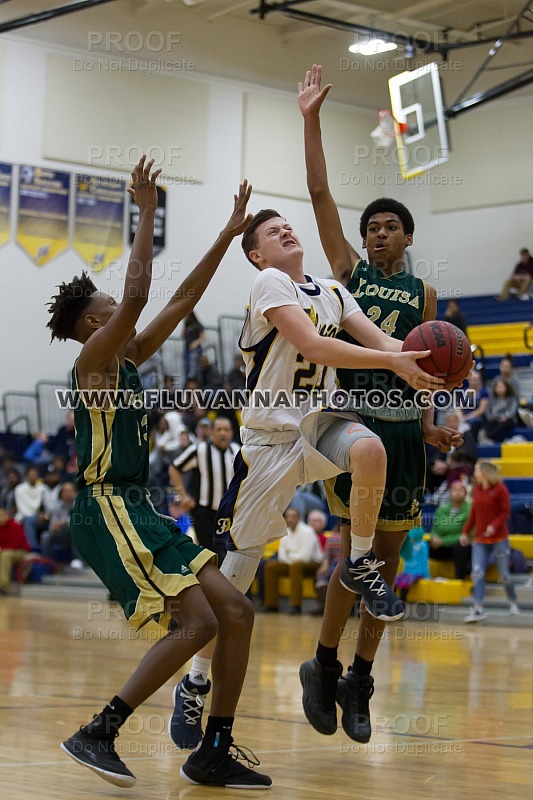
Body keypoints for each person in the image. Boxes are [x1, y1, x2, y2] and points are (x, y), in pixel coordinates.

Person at [168, 198, 443, 748]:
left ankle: (361, 562)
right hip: (271, 441)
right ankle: (194, 683)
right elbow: (315, 345)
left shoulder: (334, 291)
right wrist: (393, 362)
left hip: (320, 424)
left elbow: (384, 341)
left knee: (370, 450)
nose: (287, 230)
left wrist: (427, 360)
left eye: (288, 225)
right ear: (256, 254)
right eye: (273, 230)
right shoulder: (269, 284)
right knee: (237, 581)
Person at [48, 162, 272, 790]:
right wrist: (147, 212)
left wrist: (229, 234)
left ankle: (214, 748)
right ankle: (100, 730)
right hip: (106, 507)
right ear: (95, 323)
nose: (122, 309)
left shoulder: (128, 357)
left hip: (137, 506)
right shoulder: (95, 359)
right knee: (197, 623)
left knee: (236, 611)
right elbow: (145, 296)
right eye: (110, 306)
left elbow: (180, 300)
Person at [295, 64, 463, 745]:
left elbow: (425, 371)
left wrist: (431, 423)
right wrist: (309, 119)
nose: (378, 234)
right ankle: (323, 662)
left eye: (390, 226)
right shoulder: (348, 273)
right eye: (372, 227)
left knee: (386, 571)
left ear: (408, 236)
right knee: (352, 559)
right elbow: (316, 191)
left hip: (402, 437)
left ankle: (357, 678)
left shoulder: (424, 299)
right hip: (355, 432)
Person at [169, 417, 239, 562]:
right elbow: (174, 468)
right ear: (212, 432)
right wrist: (183, 496)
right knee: (213, 555)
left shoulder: (237, 451)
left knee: (231, 556)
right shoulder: (199, 449)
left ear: (232, 433)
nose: (222, 433)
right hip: (205, 513)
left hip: (230, 514)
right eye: (219, 430)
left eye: (226, 430)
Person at [460, 461, 519, 621]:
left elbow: (505, 512)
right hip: (479, 539)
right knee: (477, 573)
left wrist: (493, 526)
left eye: (477, 471)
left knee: (504, 576)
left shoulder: (500, 489)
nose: (474, 474)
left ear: (484, 472)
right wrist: (465, 532)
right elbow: (473, 514)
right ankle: (478, 608)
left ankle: (512, 600)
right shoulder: (476, 490)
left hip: (499, 538)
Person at [262, 508, 323, 614]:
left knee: (296, 566)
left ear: (299, 518)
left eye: (293, 516)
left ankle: (296, 605)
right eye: (288, 517)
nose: (290, 519)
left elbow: (305, 557)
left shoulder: (307, 531)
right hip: (293, 564)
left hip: (314, 564)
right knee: (270, 566)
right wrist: (290, 560)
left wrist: (290, 559)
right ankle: (271, 605)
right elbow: (281, 555)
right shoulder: (285, 532)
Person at [429, 480, 471, 577]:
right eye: (454, 490)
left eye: (460, 490)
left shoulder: (470, 510)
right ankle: (421, 576)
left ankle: (460, 579)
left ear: (465, 493)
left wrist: (443, 541)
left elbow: (468, 535)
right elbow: (435, 529)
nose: (457, 492)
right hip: (442, 547)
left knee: (460, 547)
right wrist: (433, 538)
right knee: (422, 546)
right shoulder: (441, 509)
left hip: (461, 546)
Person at [0, 507, 30, 594]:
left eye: (2, 515)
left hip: (20, 551)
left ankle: (3, 586)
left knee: (5, 555)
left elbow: (15, 544)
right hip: (4, 551)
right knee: (4, 554)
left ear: (7, 516)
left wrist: (2, 549)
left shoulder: (16, 526)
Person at [480, 378, 519, 444]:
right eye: (497, 387)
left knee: (504, 423)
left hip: (508, 420)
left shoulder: (512, 398)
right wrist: (497, 418)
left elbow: (511, 412)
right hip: (495, 419)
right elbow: (488, 413)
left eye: (501, 387)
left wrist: (502, 417)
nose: (499, 389)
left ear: (506, 387)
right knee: (487, 422)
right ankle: (483, 435)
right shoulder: (492, 399)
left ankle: (487, 436)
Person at [463, 371, 489, 441]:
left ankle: (472, 441)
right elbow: (458, 407)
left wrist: (467, 418)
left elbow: (481, 410)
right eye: (472, 379)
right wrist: (460, 418)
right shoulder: (463, 392)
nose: (474, 381)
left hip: (477, 418)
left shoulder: (483, 392)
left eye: (476, 379)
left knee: (472, 422)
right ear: (469, 380)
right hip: (464, 417)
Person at [182, 311, 205, 382]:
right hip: (187, 350)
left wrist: (195, 344)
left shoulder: (197, 325)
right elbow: (183, 335)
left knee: (194, 369)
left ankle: (196, 384)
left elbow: (203, 337)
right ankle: (187, 385)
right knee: (186, 368)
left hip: (195, 350)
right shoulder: (187, 326)